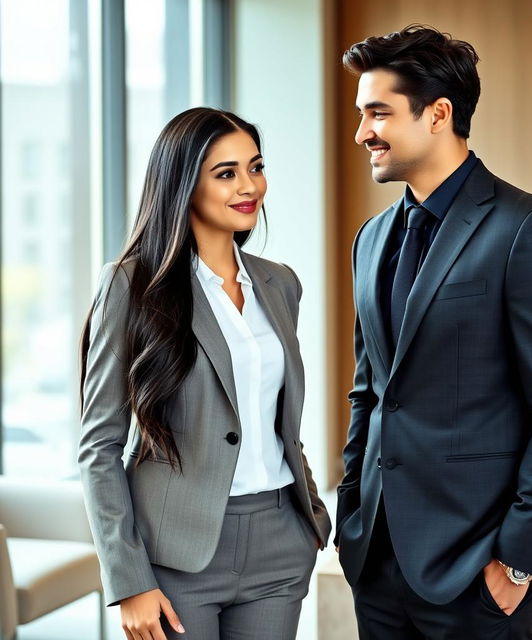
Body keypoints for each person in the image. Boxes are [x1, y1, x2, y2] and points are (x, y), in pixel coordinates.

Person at [334, 25, 532, 639]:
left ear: (438, 114)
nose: (361, 133)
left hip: (476, 567)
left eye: (378, 112)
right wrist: (353, 512)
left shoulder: (528, 229)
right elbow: (370, 393)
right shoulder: (371, 240)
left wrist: (516, 560)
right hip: (376, 558)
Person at [78, 107, 330, 640]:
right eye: (226, 173)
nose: (249, 186)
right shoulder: (130, 285)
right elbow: (99, 446)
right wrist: (128, 580)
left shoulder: (280, 284)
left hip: (279, 542)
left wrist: (311, 518)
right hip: (176, 558)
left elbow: (279, 417)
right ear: (184, 185)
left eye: (255, 167)